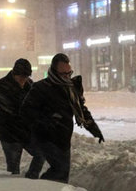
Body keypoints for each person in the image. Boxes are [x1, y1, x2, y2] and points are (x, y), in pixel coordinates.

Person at [20, 53, 104, 183]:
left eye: (69, 73)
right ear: (53, 71)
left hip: (63, 137)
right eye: (63, 74)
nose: (67, 77)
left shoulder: (71, 88)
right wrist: (46, 120)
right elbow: (26, 111)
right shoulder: (41, 88)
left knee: (63, 175)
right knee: (59, 170)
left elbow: (82, 110)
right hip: (45, 137)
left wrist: (94, 129)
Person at [0, 58, 45, 178]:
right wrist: (3, 120)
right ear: (14, 73)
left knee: (41, 154)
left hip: (26, 131)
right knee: (13, 170)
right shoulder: (0, 85)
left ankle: (31, 178)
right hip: (9, 134)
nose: (23, 80)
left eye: (26, 77)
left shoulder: (30, 85)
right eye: (21, 77)